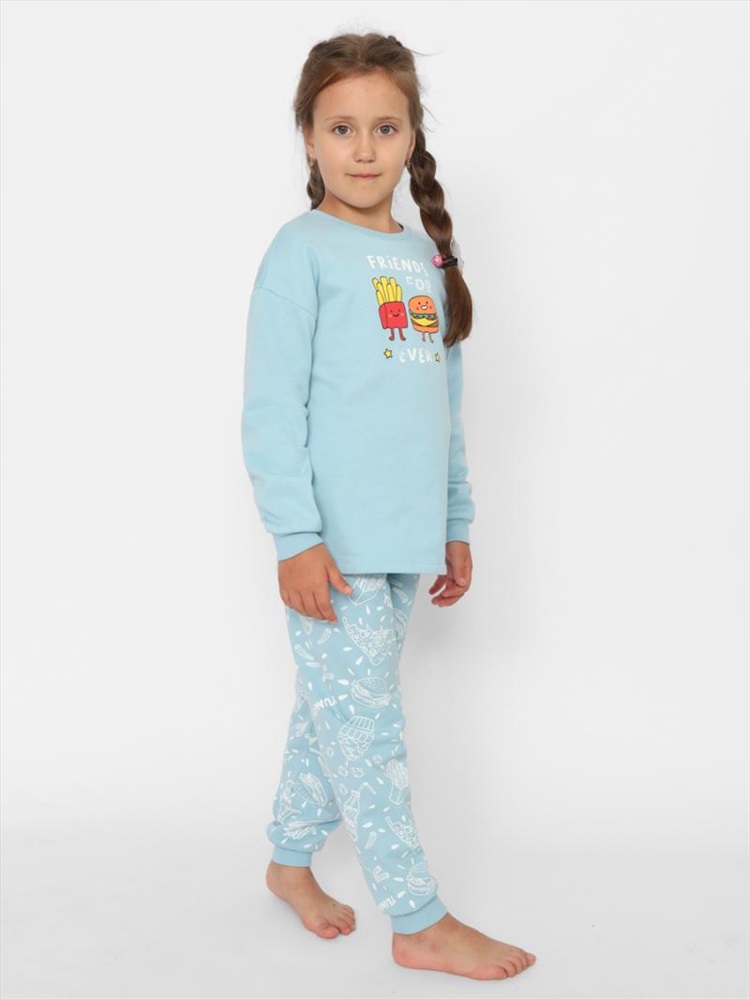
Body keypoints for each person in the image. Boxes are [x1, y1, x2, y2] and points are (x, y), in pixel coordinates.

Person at [240, 30, 536, 982]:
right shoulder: (300, 253)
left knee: (333, 715)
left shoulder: (423, 258)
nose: (363, 149)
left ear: (412, 137)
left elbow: (444, 409)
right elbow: (270, 409)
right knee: (367, 732)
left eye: (384, 127)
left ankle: (290, 863)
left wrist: (455, 522)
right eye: (341, 128)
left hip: (407, 544)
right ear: (308, 135)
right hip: (335, 550)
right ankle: (418, 918)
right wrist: (296, 537)